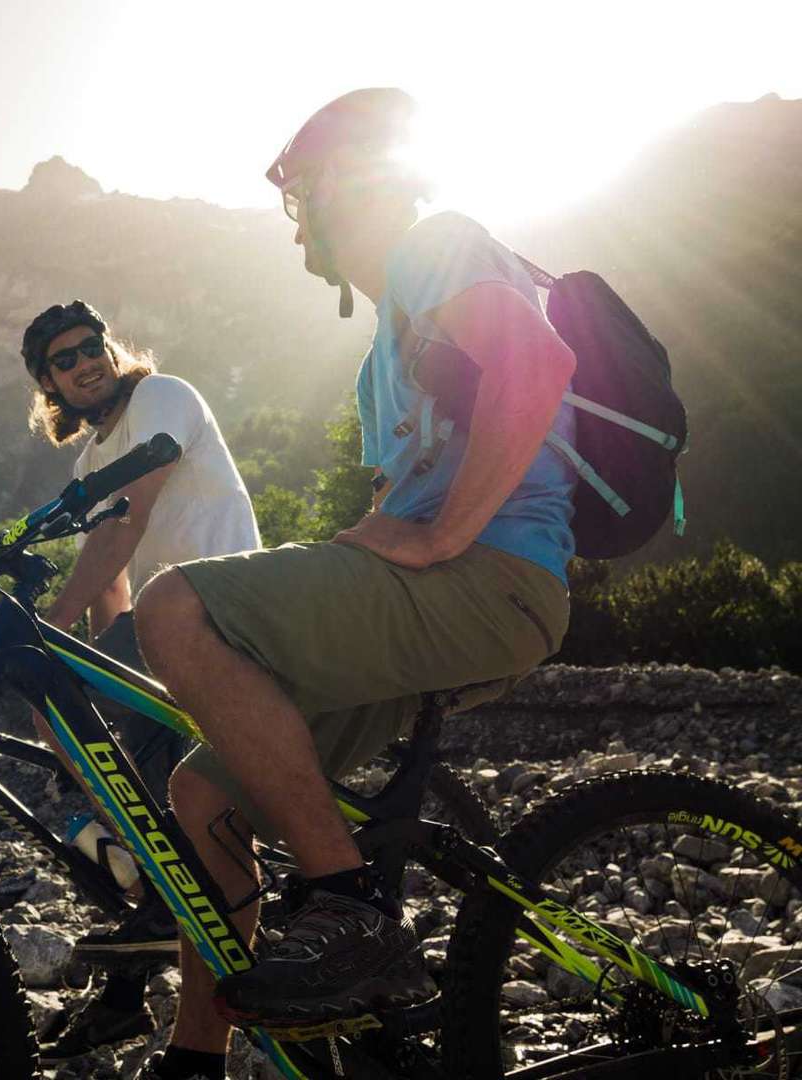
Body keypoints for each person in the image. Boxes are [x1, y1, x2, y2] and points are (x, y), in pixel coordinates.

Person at [131, 88, 578, 1080]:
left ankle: (351, 907)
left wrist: (444, 534)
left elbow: (536, 359)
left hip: (494, 577)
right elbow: (401, 494)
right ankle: (197, 1058)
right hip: (441, 591)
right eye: (296, 199)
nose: (305, 216)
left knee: (177, 606)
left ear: (374, 180)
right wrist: (376, 542)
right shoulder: (384, 349)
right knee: (206, 790)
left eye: (313, 187)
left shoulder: (437, 245)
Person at [18, 300, 261, 1060]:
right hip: (163, 622)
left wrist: (46, 634)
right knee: (81, 732)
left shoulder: (163, 396)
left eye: (93, 346)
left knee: (81, 719)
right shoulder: (90, 460)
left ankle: (162, 897)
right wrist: (84, 672)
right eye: (66, 358)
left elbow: (128, 527)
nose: (87, 362)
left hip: (225, 603)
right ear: (47, 383)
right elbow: (112, 581)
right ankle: (154, 909)